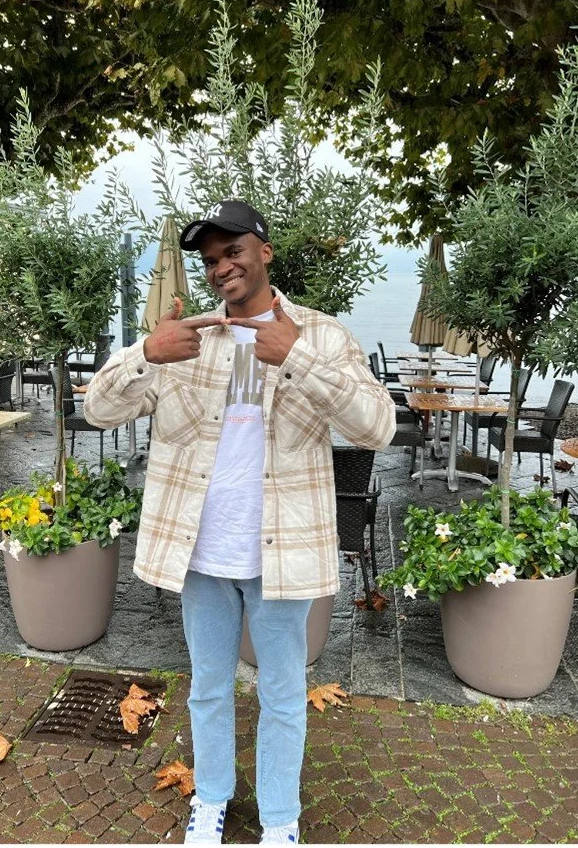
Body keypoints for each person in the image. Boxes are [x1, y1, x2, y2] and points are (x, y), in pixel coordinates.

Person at [85, 200, 396, 844]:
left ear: (264, 252)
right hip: (201, 553)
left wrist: (297, 356)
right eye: (211, 259)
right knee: (207, 688)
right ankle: (212, 798)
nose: (222, 266)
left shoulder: (321, 335)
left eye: (233, 251)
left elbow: (378, 427)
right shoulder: (187, 340)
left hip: (282, 554)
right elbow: (98, 411)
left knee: (282, 693)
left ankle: (280, 818)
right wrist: (145, 351)